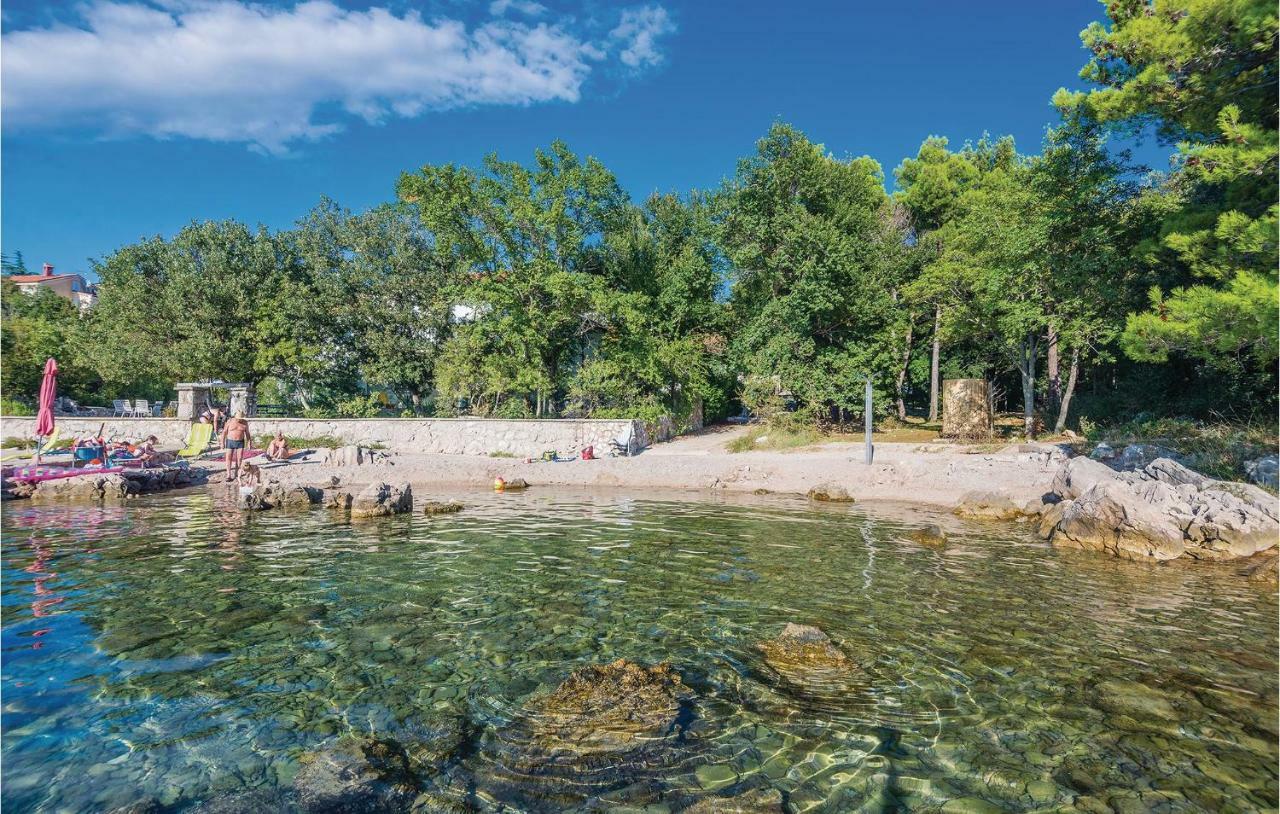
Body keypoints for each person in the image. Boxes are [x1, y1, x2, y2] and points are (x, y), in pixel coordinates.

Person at [221, 411, 251, 480]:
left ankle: (237, 473)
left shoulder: (245, 423)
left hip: (240, 441)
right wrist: (222, 443)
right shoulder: (230, 421)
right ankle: (228, 475)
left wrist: (249, 443)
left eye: (240, 418)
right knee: (228, 458)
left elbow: (247, 434)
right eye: (238, 418)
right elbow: (224, 432)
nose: (239, 420)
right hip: (230, 441)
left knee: (239, 458)